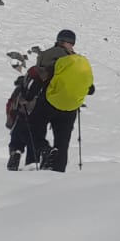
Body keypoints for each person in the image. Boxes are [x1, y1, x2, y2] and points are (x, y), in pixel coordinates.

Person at [25, 29, 94, 172]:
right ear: (72, 43)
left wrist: (29, 97)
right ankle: (58, 173)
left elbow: (40, 78)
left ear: (58, 40)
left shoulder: (48, 55)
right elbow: (90, 89)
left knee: (33, 128)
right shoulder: (77, 61)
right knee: (62, 142)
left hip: (48, 102)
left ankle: (43, 151)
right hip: (70, 108)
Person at [4, 70, 43, 170]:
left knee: (16, 139)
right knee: (33, 141)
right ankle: (32, 164)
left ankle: (15, 152)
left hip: (20, 116)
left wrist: (10, 121)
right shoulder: (41, 86)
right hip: (37, 117)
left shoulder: (19, 89)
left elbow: (11, 104)